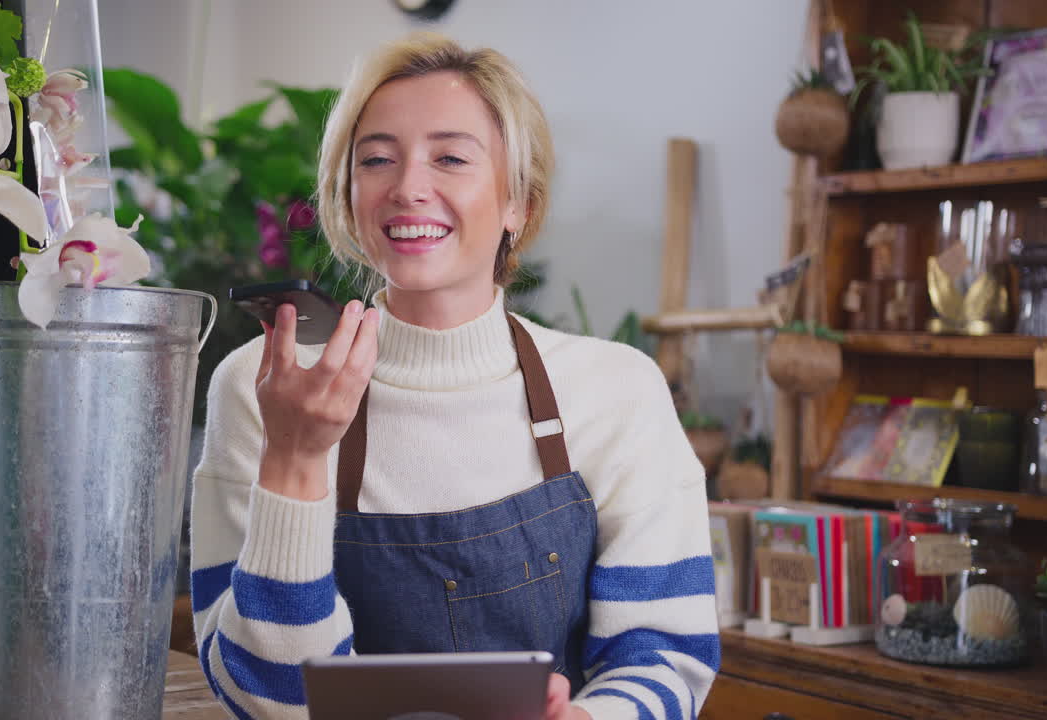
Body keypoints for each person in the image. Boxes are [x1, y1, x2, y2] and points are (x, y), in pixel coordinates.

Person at [190, 32, 719, 720]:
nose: (408, 187)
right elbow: (266, 701)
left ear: (517, 204)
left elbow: (662, 654)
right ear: (348, 199)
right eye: (377, 159)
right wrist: (294, 459)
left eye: (450, 157)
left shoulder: (617, 390)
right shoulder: (264, 387)